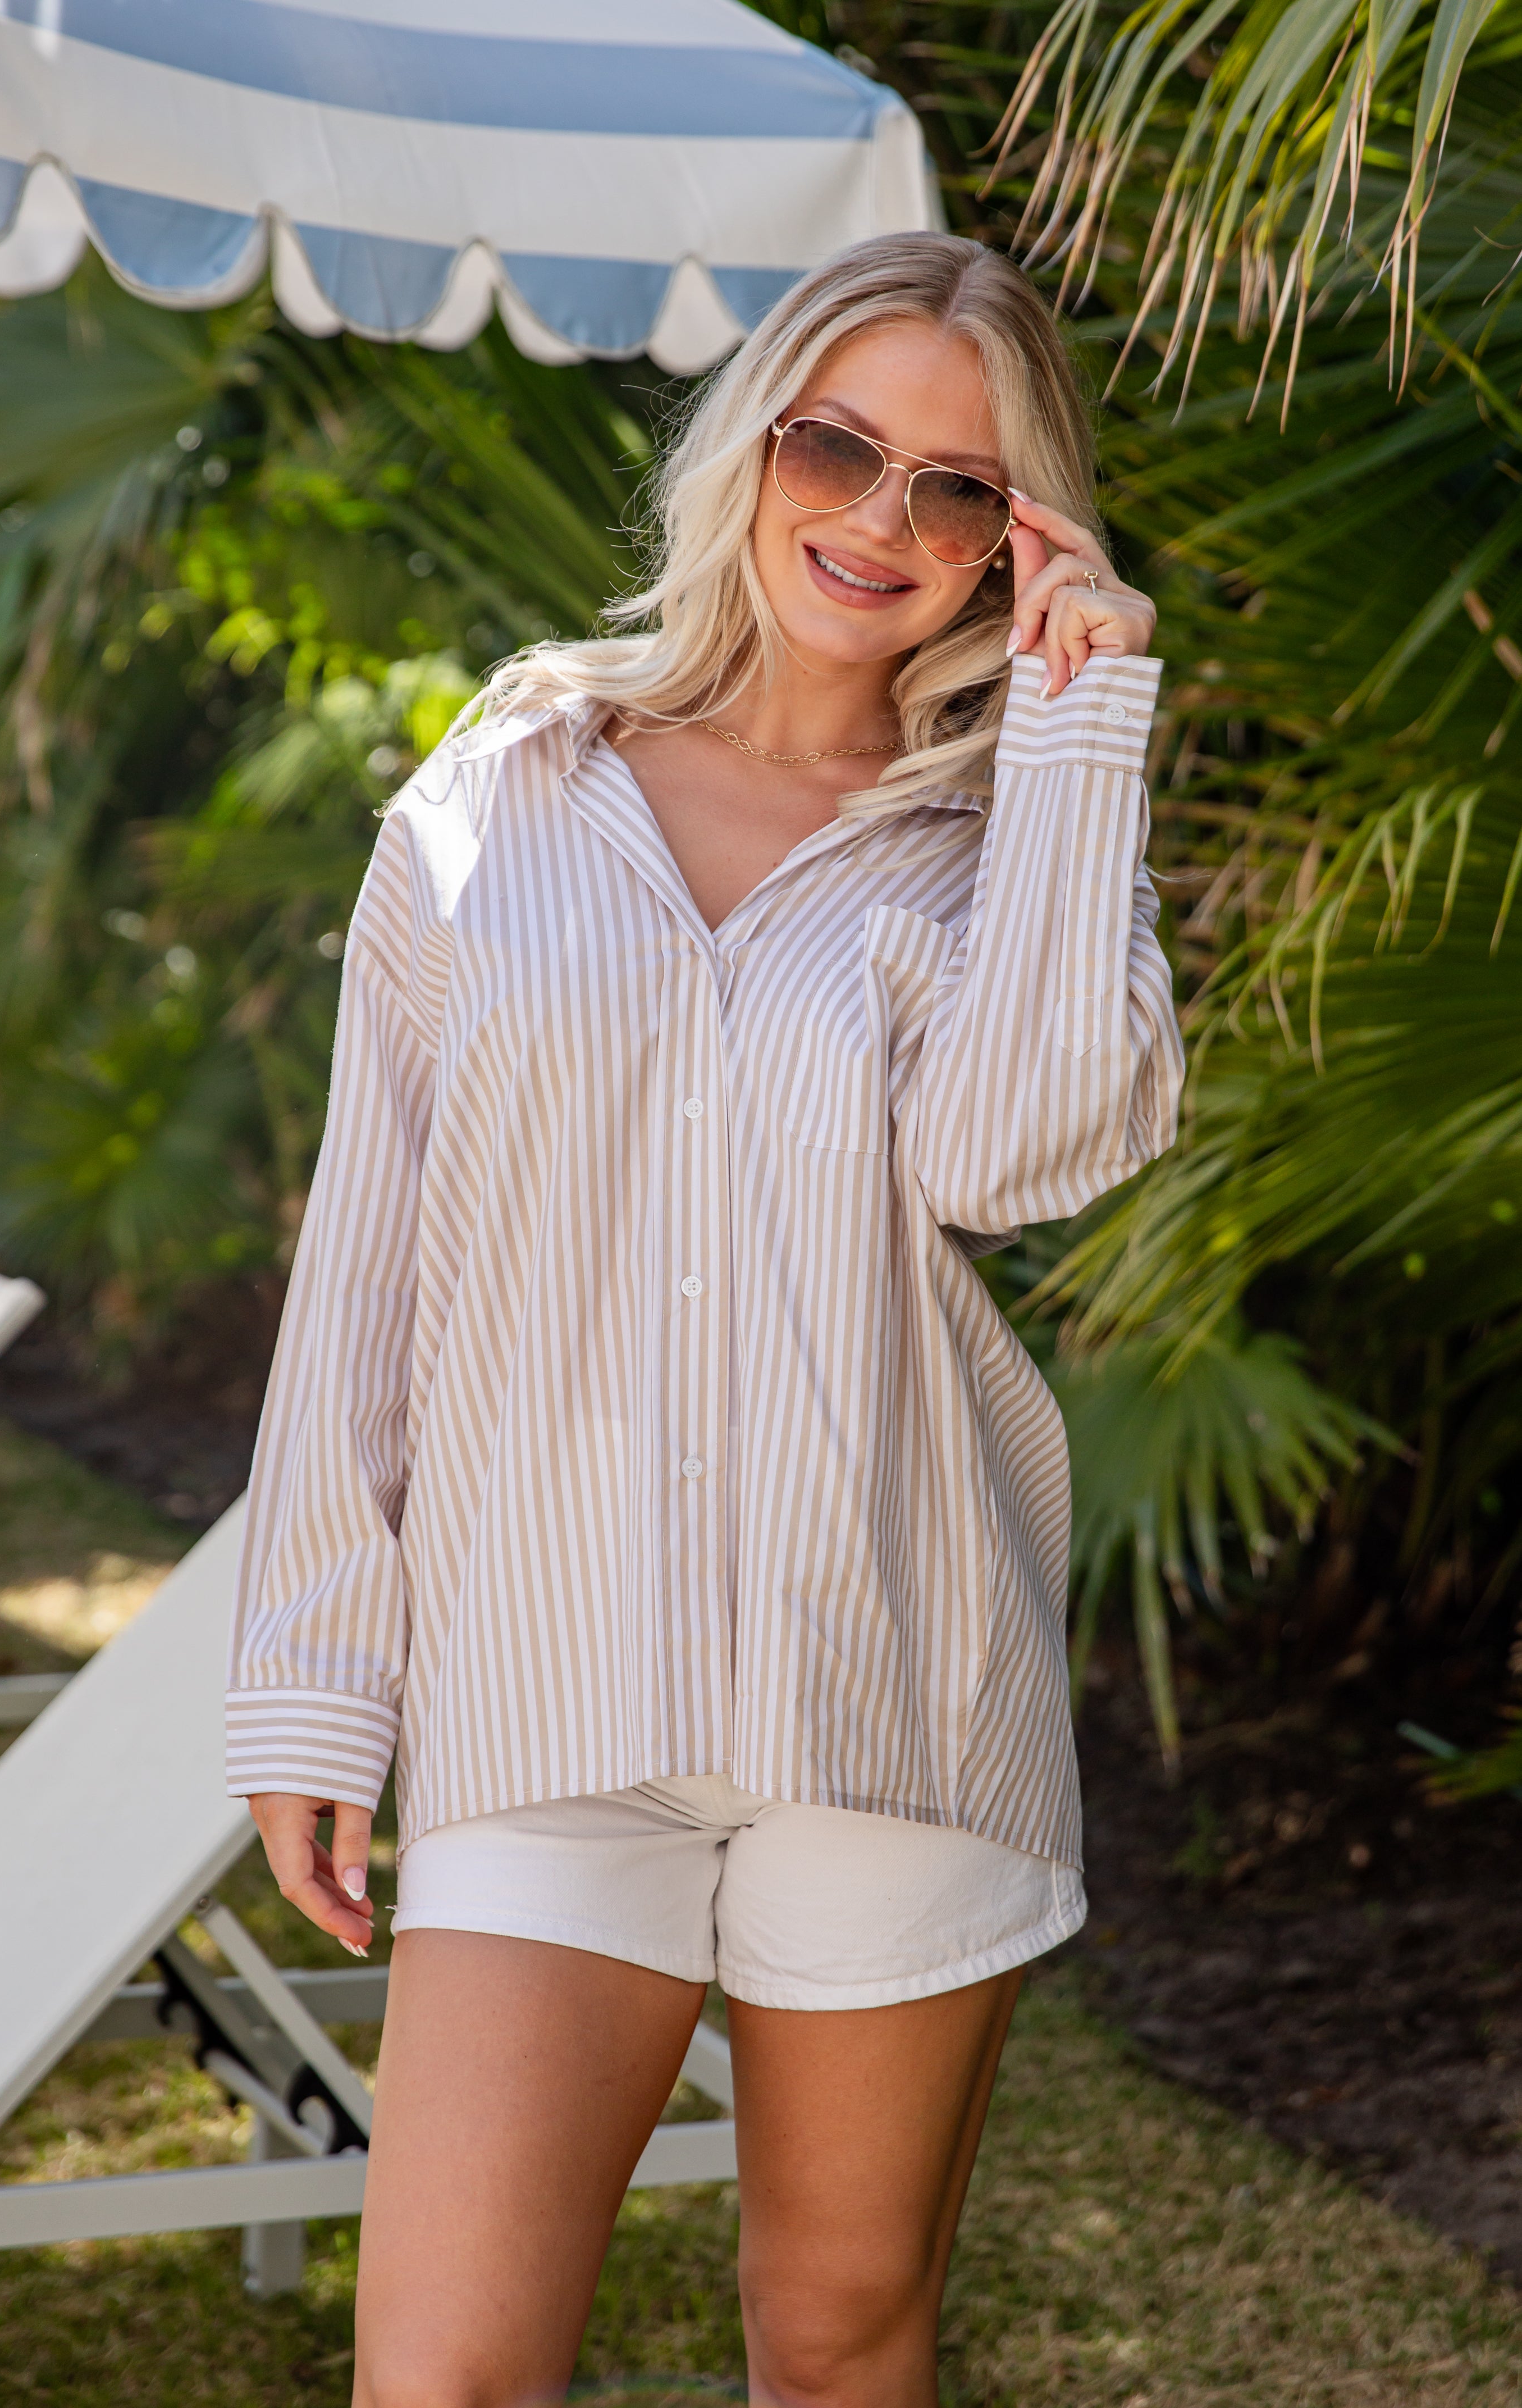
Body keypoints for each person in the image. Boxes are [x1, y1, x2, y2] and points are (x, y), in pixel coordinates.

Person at [226, 231, 1181, 2408]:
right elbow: (367, 1243)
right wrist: (307, 1685)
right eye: (839, 444)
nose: (880, 520)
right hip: (541, 1685)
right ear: (749, 439)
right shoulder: (516, 771)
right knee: (445, 2376)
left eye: (959, 489)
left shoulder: (1001, 829)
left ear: (1015, 535)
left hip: (890, 1686)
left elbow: (1018, 1153)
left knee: (839, 2343)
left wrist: (1076, 726)